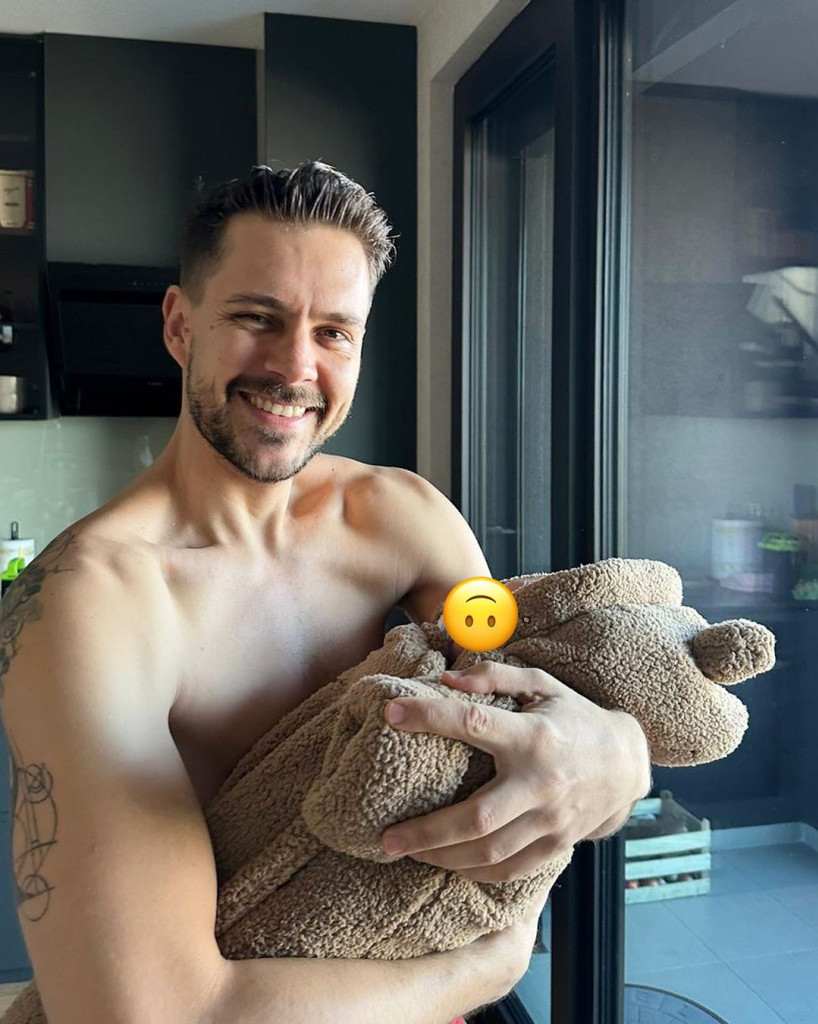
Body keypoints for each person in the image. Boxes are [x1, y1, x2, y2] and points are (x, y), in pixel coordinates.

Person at [0, 162, 650, 1024]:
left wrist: (620, 754)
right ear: (180, 325)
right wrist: (490, 965)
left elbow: (531, 686)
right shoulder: (91, 604)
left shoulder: (404, 520)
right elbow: (151, 1015)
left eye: (334, 332)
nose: (294, 366)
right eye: (256, 318)